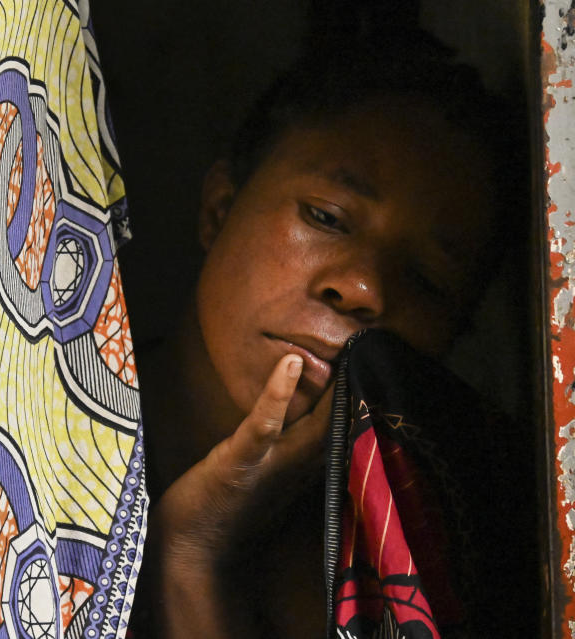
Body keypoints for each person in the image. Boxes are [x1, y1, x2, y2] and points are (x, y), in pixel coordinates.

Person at [130, 31, 529, 638]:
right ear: (219, 209)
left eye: (425, 279)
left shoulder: (427, 571)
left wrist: (196, 559)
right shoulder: (23, 450)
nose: (366, 288)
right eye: (327, 217)